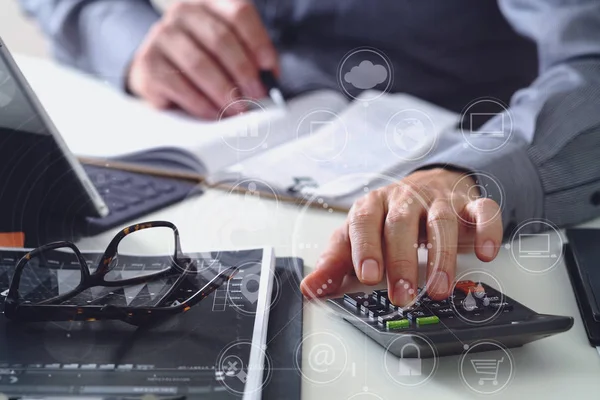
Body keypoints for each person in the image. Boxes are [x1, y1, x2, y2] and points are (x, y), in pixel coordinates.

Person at [18, 0, 600, 306]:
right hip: (201, 154)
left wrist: (467, 173)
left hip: (444, 197)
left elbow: (591, 59)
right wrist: (125, 33)